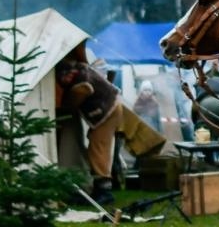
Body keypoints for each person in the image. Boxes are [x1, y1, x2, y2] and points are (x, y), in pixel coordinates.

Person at [57, 58, 167, 205]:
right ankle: (101, 186)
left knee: (99, 148)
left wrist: (64, 106)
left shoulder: (81, 80)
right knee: (101, 147)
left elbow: (79, 95)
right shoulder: (82, 68)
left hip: (106, 112)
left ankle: (104, 191)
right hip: (112, 105)